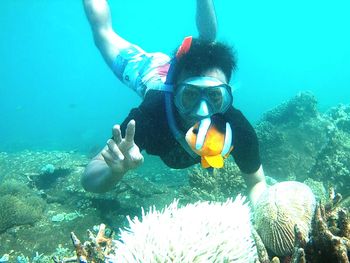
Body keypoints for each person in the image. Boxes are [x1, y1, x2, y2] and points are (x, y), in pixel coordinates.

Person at [82, 0, 267, 206]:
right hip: (149, 71)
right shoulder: (151, 115)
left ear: (226, 95)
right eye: (190, 95)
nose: (202, 112)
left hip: (180, 69)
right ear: (174, 93)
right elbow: (89, 179)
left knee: (208, 41)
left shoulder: (234, 126)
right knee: (103, 35)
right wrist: (114, 171)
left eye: (214, 96)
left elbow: (257, 183)